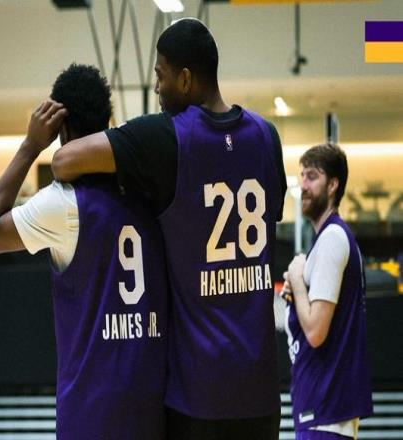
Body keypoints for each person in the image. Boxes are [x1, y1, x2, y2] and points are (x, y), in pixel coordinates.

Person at [49, 19, 287, 439]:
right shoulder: (267, 137)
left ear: (186, 79)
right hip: (262, 391)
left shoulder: (168, 137)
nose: (157, 88)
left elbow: (64, 161)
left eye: (160, 76)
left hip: (197, 393)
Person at [0, 64, 168, 440]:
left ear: (59, 128)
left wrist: (30, 146)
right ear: (108, 120)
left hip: (90, 414)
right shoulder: (149, 191)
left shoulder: (64, 203)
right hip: (151, 408)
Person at [283, 143, 373, 440]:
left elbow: (316, 331)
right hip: (322, 410)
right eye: (301, 176)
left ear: (333, 185)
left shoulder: (333, 238)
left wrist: (297, 279)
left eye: (312, 177)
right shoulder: (328, 239)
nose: (303, 186)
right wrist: (298, 289)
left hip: (326, 410)